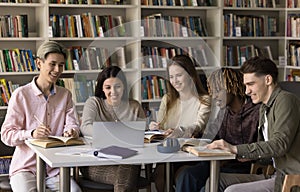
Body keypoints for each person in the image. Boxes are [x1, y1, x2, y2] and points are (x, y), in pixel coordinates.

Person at [206, 56, 300, 192]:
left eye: (251, 84)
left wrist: (236, 149)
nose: (246, 91)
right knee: (215, 181)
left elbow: (279, 145)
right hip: (274, 174)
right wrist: (245, 155)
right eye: (245, 85)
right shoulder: (264, 108)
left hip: (290, 179)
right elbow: (270, 153)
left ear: (268, 80)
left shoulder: (285, 100)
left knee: (232, 191)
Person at [1, 41, 82, 192]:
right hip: (25, 168)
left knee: (75, 191)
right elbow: (6, 135)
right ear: (39, 63)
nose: (57, 70)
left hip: (56, 168)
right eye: (52, 64)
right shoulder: (21, 95)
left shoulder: (65, 95)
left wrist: (72, 131)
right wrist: (31, 134)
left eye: (61, 65)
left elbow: (73, 124)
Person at [175, 67, 261, 192]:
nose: (214, 96)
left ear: (232, 88)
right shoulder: (223, 112)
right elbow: (210, 136)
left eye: (218, 91)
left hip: (240, 166)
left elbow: (260, 148)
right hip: (217, 163)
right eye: (212, 91)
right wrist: (195, 134)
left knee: (207, 188)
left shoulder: (256, 112)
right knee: (187, 175)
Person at [149, 54, 211, 192]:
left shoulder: (205, 100)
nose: (174, 81)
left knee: (180, 175)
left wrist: (180, 130)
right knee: (159, 174)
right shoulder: (167, 99)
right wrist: (154, 128)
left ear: (190, 75)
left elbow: (198, 125)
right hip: (167, 152)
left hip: (189, 154)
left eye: (179, 75)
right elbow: (161, 127)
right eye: (171, 77)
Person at [79, 65, 146, 192]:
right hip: (96, 163)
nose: (113, 92)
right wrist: (118, 134)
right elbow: (85, 127)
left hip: (129, 160)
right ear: (102, 89)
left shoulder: (134, 106)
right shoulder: (94, 102)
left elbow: (143, 132)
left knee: (127, 171)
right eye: (108, 87)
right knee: (125, 181)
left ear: (124, 87)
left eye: (117, 87)